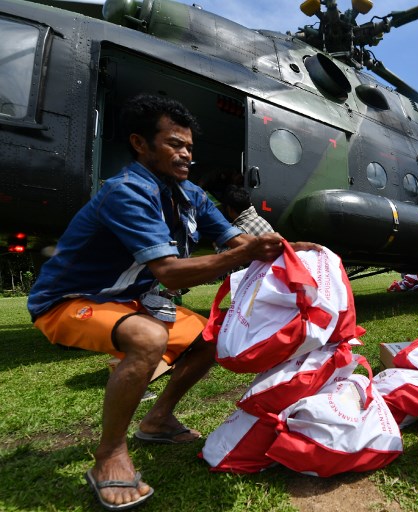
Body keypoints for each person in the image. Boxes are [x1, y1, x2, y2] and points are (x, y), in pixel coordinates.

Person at [27, 94, 319, 510]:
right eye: (174, 144)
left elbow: (239, 241)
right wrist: (245, 255)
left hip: (131, 300)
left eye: (189, 148)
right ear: (140, 143)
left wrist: (289, 251)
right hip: (67, 300)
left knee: (211, 338)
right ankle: (110, 455)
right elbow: (170, 271)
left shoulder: (190, 195)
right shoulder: (126, 192)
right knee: (147, 339)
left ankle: (158, 419)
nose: (185, 155)